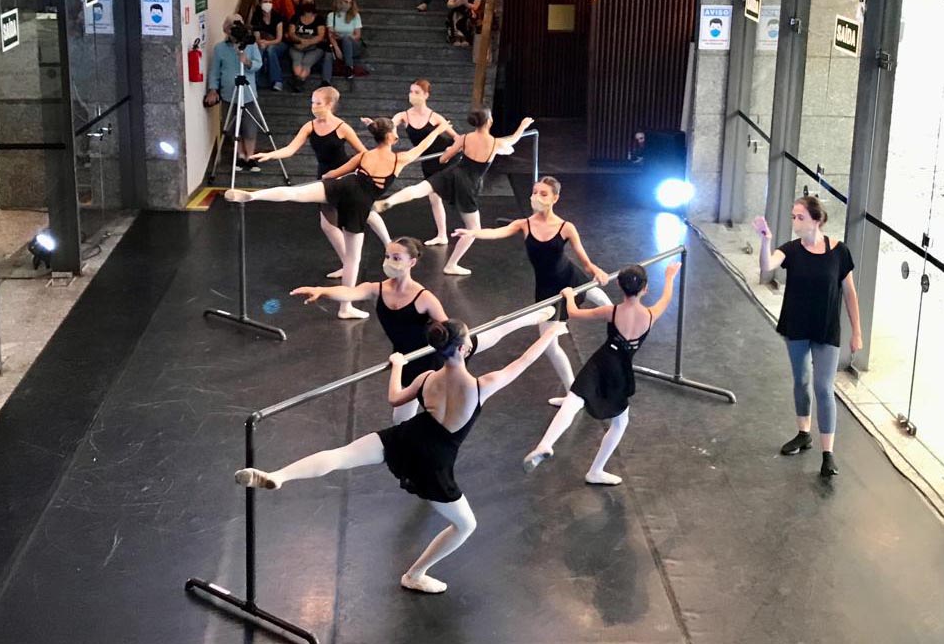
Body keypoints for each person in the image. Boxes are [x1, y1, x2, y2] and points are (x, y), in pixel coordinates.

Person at [235, 320, 566, 594]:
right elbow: (523, 362)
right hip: (433, 461)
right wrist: (550, 332)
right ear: (465, 349)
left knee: (340, 455)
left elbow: (395, 399)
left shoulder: (426, 378)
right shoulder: (482, 385)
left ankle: (279, 475)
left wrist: (397, 365)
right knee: (465, 525)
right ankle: (415, 574)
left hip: (406, 437)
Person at [290, 236, 555, 423]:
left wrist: (462, 347)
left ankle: (529, 317)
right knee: (400, 419)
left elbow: (449, 329)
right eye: (387, 256)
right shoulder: (377, 289)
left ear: (411, 262)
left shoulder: (424, 297)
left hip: (437, 354)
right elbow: (350, 290)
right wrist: (322, 290)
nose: (389, 261)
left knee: (494, 331)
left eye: (396, 258)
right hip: (407, 360)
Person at [225, 118, 452, 319]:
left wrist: (326, 179)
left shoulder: (364, 154)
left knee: (293, 194)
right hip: (360, 202)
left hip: (342, 186)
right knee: (352, 259)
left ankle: (253, 196)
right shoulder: (399, 159)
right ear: (392, 137)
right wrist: (439, 128)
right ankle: (345, 308)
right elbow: (424, 145)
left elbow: (335, 173)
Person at [452, 176, 611, 405]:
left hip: (572, 279)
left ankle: (624, 334)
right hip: (547, 292)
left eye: (543, 193)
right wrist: (473, 233)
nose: (536, 197)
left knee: (607, 307)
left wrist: (597, 271)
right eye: (535, 192)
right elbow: (497, 232)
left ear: (555, 198)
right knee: (550, 345)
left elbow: (586, 262)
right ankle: (572, 394)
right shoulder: (523, 224)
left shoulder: (566, 227)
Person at [523, 262, 682, 485]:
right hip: (621, 370)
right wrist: (669, 277)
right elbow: (666, 298)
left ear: (619, 285)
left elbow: (575, 313)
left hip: (602, 361)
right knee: (619, 423)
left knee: (573, 401)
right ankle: (596, 470)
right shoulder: (650, 315)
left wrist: (569, 294)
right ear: (645, 289)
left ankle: (546, 443)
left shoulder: (612, 311)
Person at [752, 196, 862, 477]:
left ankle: (828, 452)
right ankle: (804, 433)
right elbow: (767, 266)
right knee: (801, 380)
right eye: (793, 216)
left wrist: (857, 332)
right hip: (797, 326)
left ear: (817, 220)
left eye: (800, 217)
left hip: (825, 328)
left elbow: (850, 293)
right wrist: (766, 240)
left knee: (824, 388)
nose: (795, 221)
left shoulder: (839, 252)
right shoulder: (791, 250)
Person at [374, 109, 535, 276]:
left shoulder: (465, 138)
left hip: (452, 173)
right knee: (473, 229)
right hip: (468, 184)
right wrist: (522, 126)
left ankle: (390, 201)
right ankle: (451, 265)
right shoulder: (495, 143)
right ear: (489, 122)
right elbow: (513, 140)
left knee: (419, 189)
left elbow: (443, 159)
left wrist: (451, 149)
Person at [250, 86, 391, 268]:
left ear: (329, 104)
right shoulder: (310, 126)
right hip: (324, 177)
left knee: (367, 213)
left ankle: (389, 244)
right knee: (327, 224)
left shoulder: (342, 127)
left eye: (318, 103)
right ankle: (347, 263)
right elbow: (291, 149)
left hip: (345, 176)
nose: (313, 107)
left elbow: (364, 153)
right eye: (312, 103)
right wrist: (270, 155)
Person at [361, 79, 460, 246]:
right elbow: (388, 129)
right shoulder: (403, 116)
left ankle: (457, 226)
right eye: (411, 92)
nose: (412, 95)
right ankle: (442, 235)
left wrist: (452, 151)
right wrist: (373, 125)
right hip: (427, 161)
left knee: (444, 195)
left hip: (444, 158)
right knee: (434, 198)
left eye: (417, 92)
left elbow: (457, 138)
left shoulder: (434, 117)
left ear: (426, 95)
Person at [205, 14, 264, 173]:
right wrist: (212, 88)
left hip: (248, 94)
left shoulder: (250, 45)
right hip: (229, 95)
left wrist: (247, 62)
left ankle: (250, 158)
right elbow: (215, 71)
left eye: (238, 25)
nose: (235, 28)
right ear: (225, 29)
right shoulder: (219, 48)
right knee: (232, 128)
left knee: (250, 128)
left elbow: (259, 64)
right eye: (231, 25)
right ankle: (239, 156)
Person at [287, 0, 330, 92]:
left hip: (315, 48)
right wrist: (301, 41)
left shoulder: (319, 19)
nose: (308, 3)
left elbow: (320, 36)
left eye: (311, 1)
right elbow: (291, 33)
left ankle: (298, 82)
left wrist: (307, 42)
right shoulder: (295, 17)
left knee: (306, 63)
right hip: (297, 46)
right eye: (306, 1)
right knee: (297, 61)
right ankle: (299, 81)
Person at [250, 0, 288, 91]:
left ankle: (277, 80)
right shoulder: (256, 17)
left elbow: (279, 38)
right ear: (260, 3)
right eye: (265, 1)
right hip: (262, 43)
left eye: (270, 2)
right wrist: (261, 43)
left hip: (278, 44)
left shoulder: (277, 17)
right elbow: (257, 37)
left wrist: (266, 43)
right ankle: (255, 80)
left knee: (271, 50)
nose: (268, 4)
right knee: (259, 50)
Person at [326, 0, 363, 82]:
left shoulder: (355, 15)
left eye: (350, 3)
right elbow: (330, 35)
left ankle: (349, 67)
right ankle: (326, 82)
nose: (348, 5)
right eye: (346, 2)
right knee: (328, 55)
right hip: (338, 44)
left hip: (353, 44)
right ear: (340, 1)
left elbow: (357, 35)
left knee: (346, 39)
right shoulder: (331, 15)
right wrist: (337, 48)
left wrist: (344, 36)